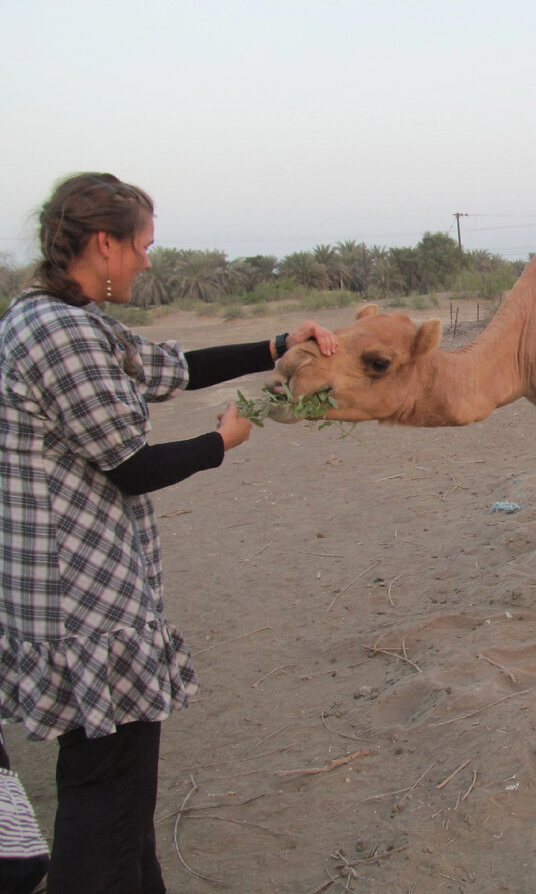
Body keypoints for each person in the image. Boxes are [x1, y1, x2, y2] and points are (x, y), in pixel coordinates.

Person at [0, 172, 337, 893]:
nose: (147, 261)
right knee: (104, 806)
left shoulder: (62, 319)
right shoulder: (62, 334)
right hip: (84, 605)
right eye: (142, 245)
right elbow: (132, 467)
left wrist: (280, 342)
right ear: (104, 244)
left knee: (122, 806)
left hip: (83, 596)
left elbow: (173, 368)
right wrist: (222, 443)